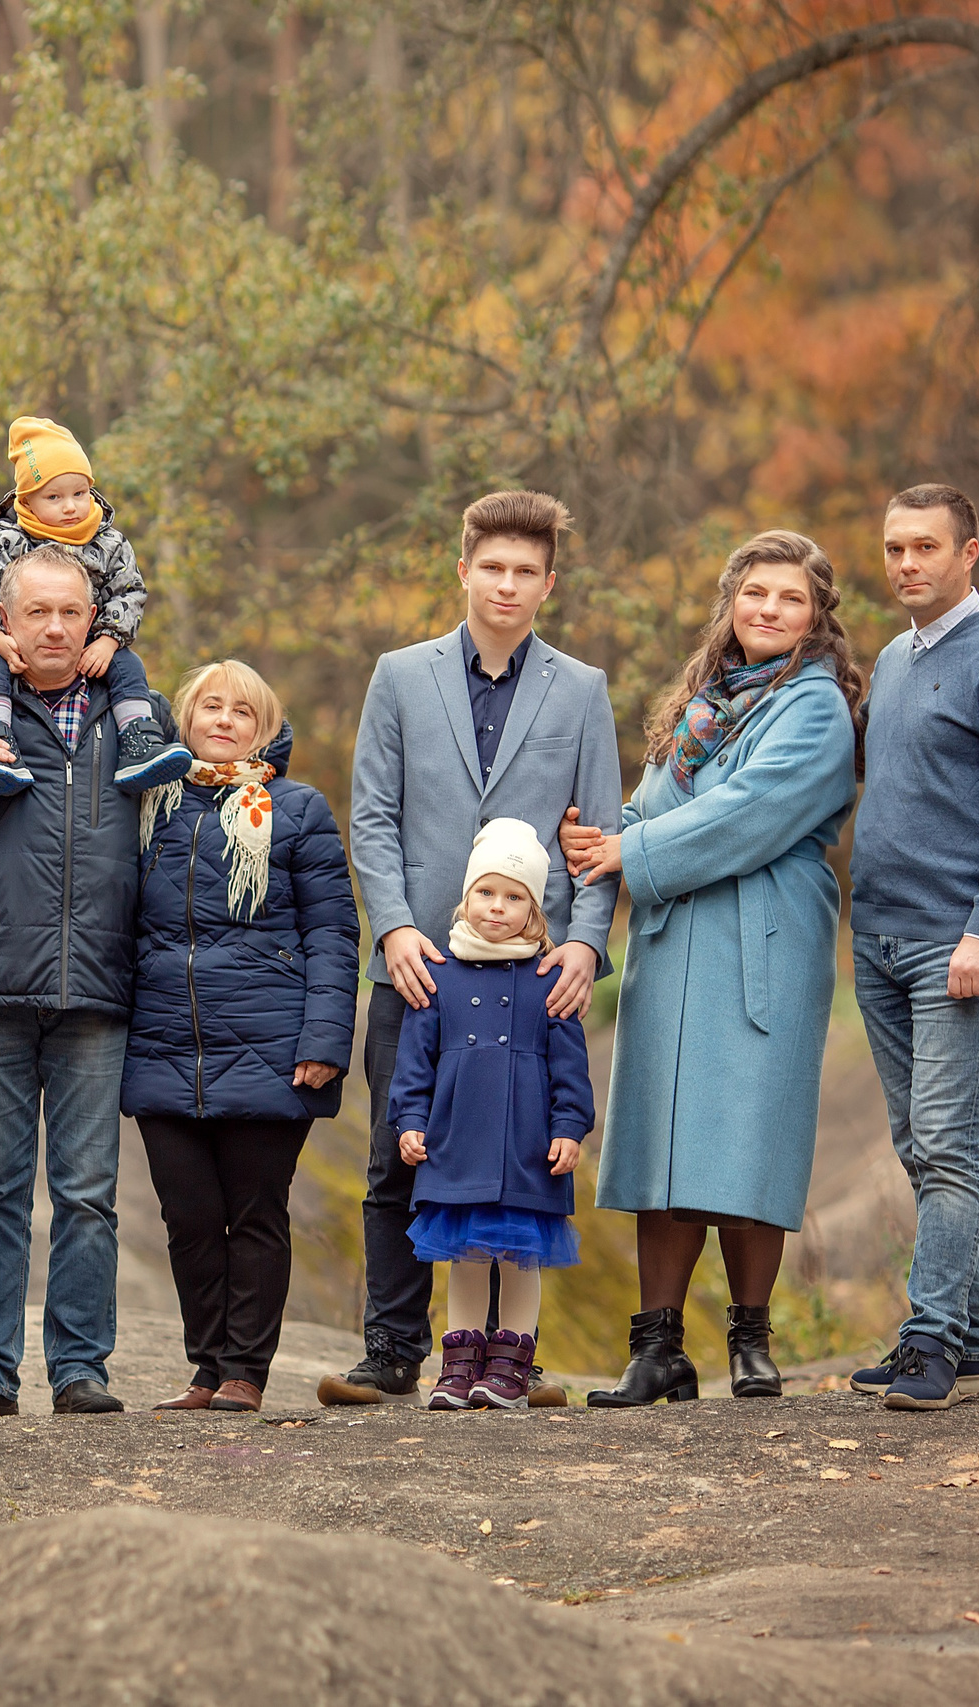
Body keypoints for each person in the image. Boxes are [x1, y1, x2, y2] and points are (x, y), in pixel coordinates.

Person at [328, 489, 623, 1407]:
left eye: (525, 571)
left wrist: (583, 945)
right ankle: (392, 1348)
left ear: (548, 584)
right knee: (397, 1152)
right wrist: (397, 924)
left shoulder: (580, 690)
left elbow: (601, 831)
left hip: (535, 974)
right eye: (491, 567)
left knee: (525, 1158)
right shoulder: (400, 675)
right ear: (463, 570)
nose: (507, 583)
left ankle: (513, 1357)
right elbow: (372, 814)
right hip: (419, 962)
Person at [561, 531, 865, 1407]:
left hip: (758, 945)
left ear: (816, 618)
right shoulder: (700, 702)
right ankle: (657, 1349)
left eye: (790, 599)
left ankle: (751, 1341)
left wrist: (633, 848)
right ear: (731, 601)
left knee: (747, 1137)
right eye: (755, 593)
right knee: (660, 1142)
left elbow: (751, 811)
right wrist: (604, 834)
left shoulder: (814, 706)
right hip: (672, 947)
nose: (768, 609)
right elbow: (654, 804)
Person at [0, 546, 179, 1417]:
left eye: (70, 612)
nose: (54, 627)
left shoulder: (137, 714)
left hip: (99, 986)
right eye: (37, 612)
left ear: (94, 621)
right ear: (3, 623)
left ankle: (82, 1368)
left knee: (88, 1194)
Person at [843, 485, 979, 1411]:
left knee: (945, 1143)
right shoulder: (892, 659)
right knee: (919, 1143)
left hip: (955, 945)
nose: (906, 564)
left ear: (970, 553)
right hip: (879, 938)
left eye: (925, 547)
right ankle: (967, 1344)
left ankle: (928, 1338)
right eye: (894, 548)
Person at [125, 662, 359, 1414]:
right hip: (166, 1046)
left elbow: (332, 932)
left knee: (254, 1214)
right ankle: (205, 1367)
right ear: (185, 718)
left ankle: (244, 1372)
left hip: (270, 1047)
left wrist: (324, 1037)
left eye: (243, 712)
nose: (224, 720)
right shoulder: (148, 806)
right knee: (188, 1216)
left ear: (264, 728)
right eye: (210, 707)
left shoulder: (296, 809)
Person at [387, 820, 594, 1411]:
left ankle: (510, 1363)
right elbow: (414, 1063)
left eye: (514, 897)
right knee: (467, 1256)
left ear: (533, 908)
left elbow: (570, 1068)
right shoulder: (439, 974)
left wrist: (569, 1128)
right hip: (457, 1141)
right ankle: (458, 1366)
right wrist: (408, 1122)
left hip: (527, 1145)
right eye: (486, 893)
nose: (497, 908)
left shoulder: (549, 977)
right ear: (467, 896)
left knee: (520, 1253)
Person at [0, 417, 189, 798]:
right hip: (20, 647)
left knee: (128, 665)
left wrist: (110, 641)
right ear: (26, 501)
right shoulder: (9, 541)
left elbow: (129, 590)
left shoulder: (108, 541)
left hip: (96, 640)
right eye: (54, 497)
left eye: (80, 493)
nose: (71, 507)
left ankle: (138, 740)